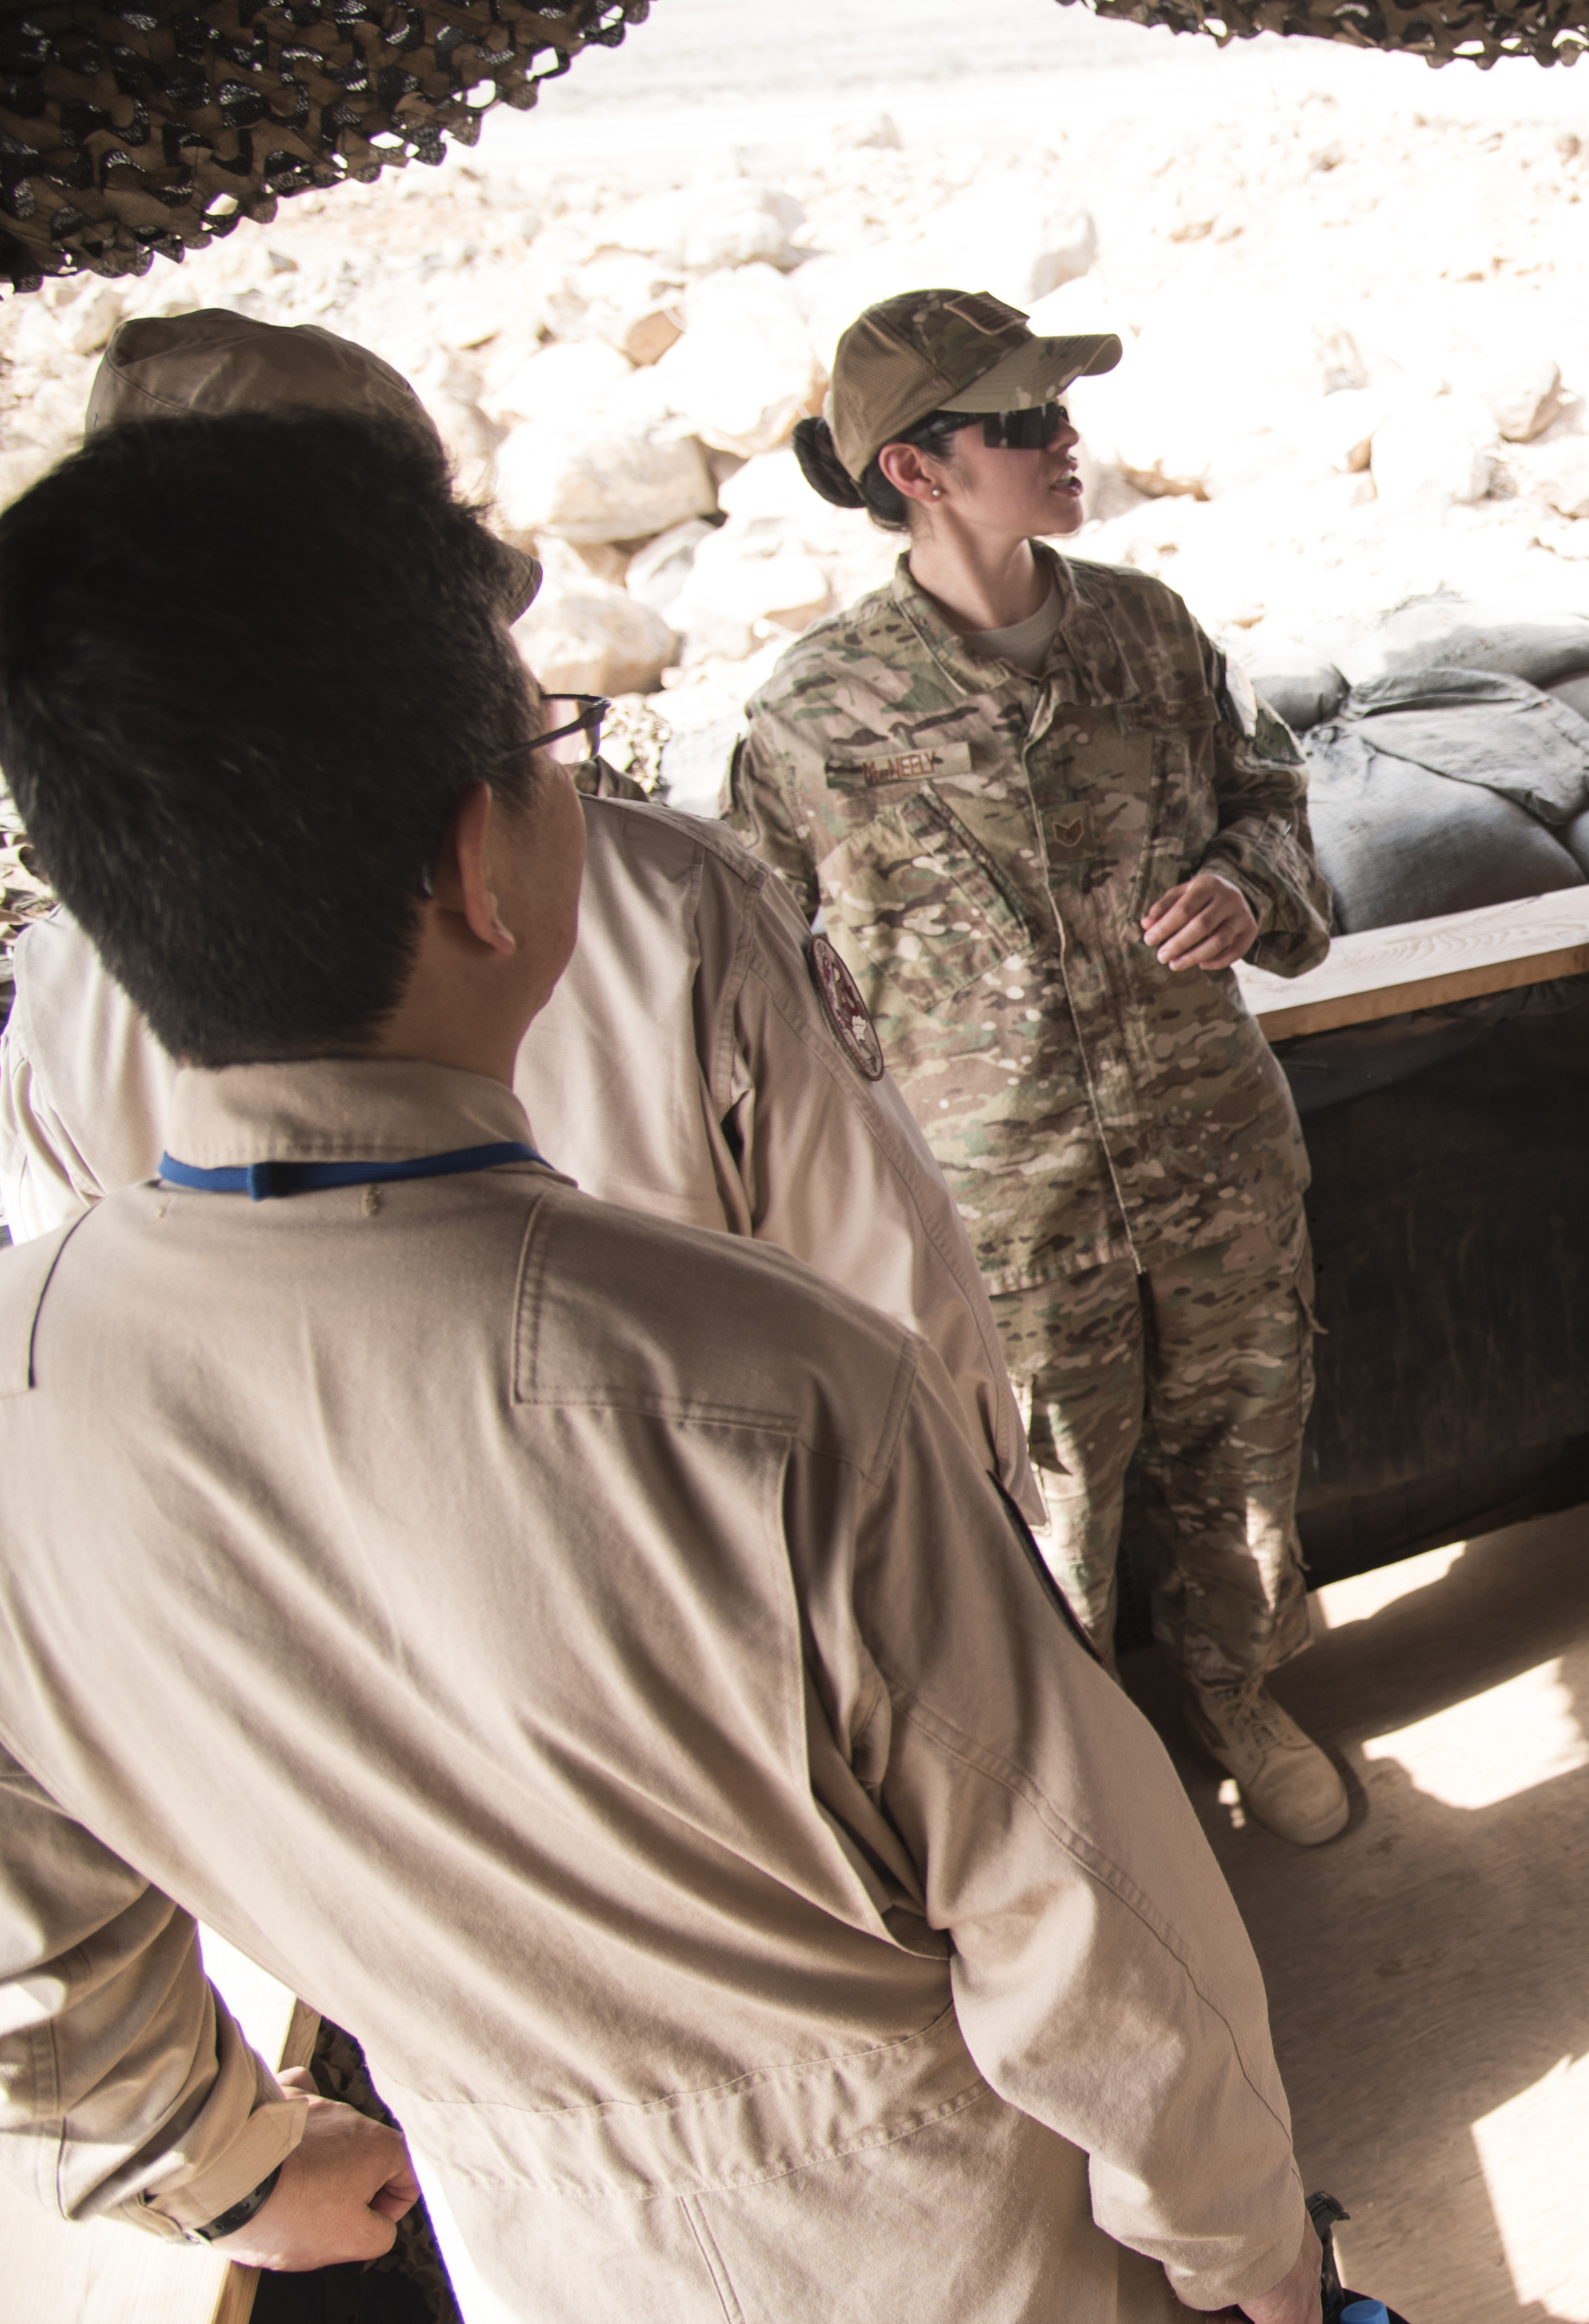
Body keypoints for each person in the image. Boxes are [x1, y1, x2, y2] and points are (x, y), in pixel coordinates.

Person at [0, 406, 1322, 2324]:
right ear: (479, 865)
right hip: (950, 2233)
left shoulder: (34, 1383)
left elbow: (34, 1933)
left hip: (537, 2242)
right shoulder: (766, 1393)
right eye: (553, 749)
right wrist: (1251, 2250)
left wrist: (210, 2160)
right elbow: (1084, 1932)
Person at [0, 310, 1039, 1549]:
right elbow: (901, 1314)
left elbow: (93, 1386)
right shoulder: (662, 898)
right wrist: (982, 1561)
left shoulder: (63, 990)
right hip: (733, 1583)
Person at [730, 290, 1349, 1845]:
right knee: (1041, 1513)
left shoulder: (1148, 632)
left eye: (1061, 411)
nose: (1066, 439)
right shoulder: (812, 715)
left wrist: (1249, 888)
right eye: (1022, 422)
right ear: (915, 470)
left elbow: (1268, 804)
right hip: (999, 1214)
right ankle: (1089, 1788)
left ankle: (1238, 1696)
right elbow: (763, 978)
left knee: (1243, 1459)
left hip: (1210, 1159)